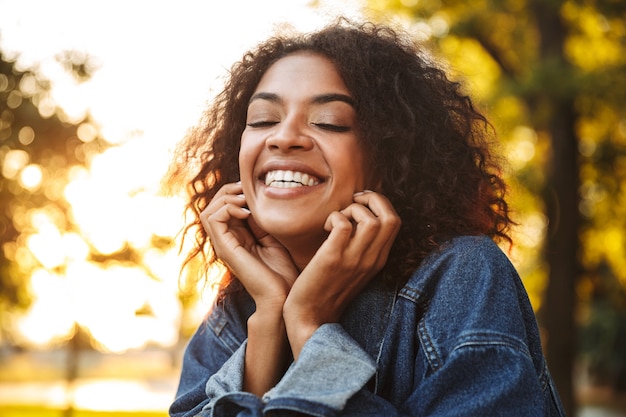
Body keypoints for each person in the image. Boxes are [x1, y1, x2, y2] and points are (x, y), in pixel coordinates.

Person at [166, 18, 566, 417]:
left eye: (329, 122)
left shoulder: (461, 274)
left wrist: (309, 326)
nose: (283, 137)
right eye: (263, 120)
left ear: (388, 158)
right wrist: (269, 321)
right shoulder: (237, 308)